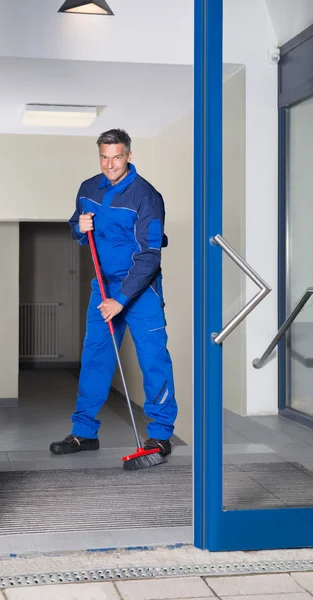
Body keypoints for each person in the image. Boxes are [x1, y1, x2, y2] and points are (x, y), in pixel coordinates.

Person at [50, 129, 178, 457]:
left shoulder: (146, 197)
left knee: (153, 359)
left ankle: (161, 435)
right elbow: (76, 229)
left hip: (140, 291)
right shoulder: (88, 188)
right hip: (102, 287)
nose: (110, 164)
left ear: (129, 156)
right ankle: (84, 432)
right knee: (96, 357)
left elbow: (150, 256)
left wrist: (120, 301)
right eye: (104, 157)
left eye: (117, 157)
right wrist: (80, 227)